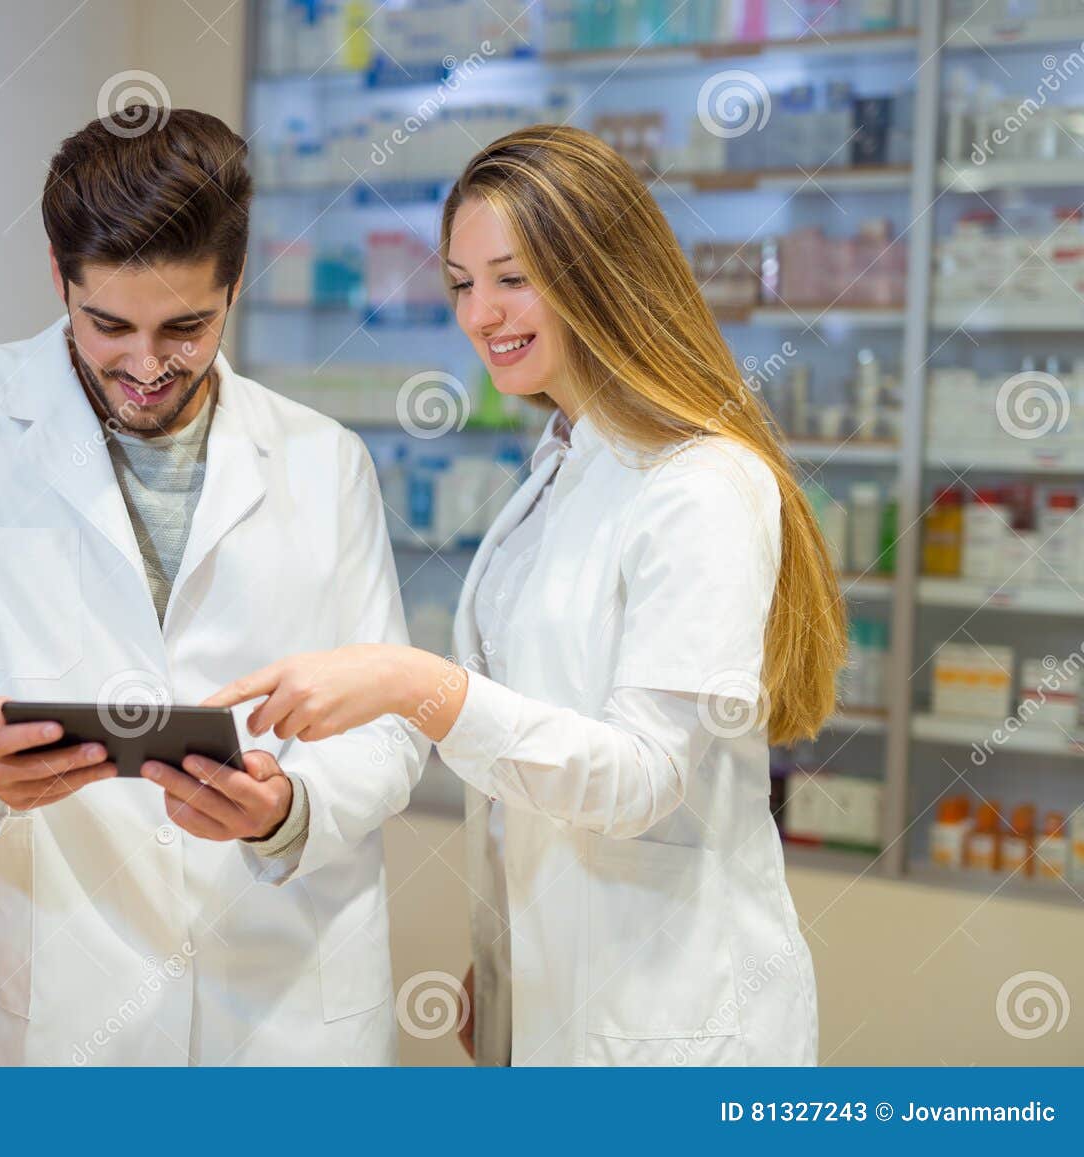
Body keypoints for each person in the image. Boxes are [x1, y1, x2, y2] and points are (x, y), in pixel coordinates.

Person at [205, 125, 846, 1067]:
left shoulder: (700, 483)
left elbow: (641, 779)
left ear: (598, 273)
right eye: (462, 283)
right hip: (559, 993)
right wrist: (509, 954)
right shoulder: (560, 467)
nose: (479, 312)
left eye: (513, 277)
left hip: (678, 1020)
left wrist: (412, 683)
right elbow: (540, 765)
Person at [0, 108, 425, 1066]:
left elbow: (394, 723)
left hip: (291, 993)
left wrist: (289, 807)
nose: (146, 365)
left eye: (186, 327)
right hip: (83, 978)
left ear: (234, 289)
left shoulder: (326, 460)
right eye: (107, 323)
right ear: (58, 275)